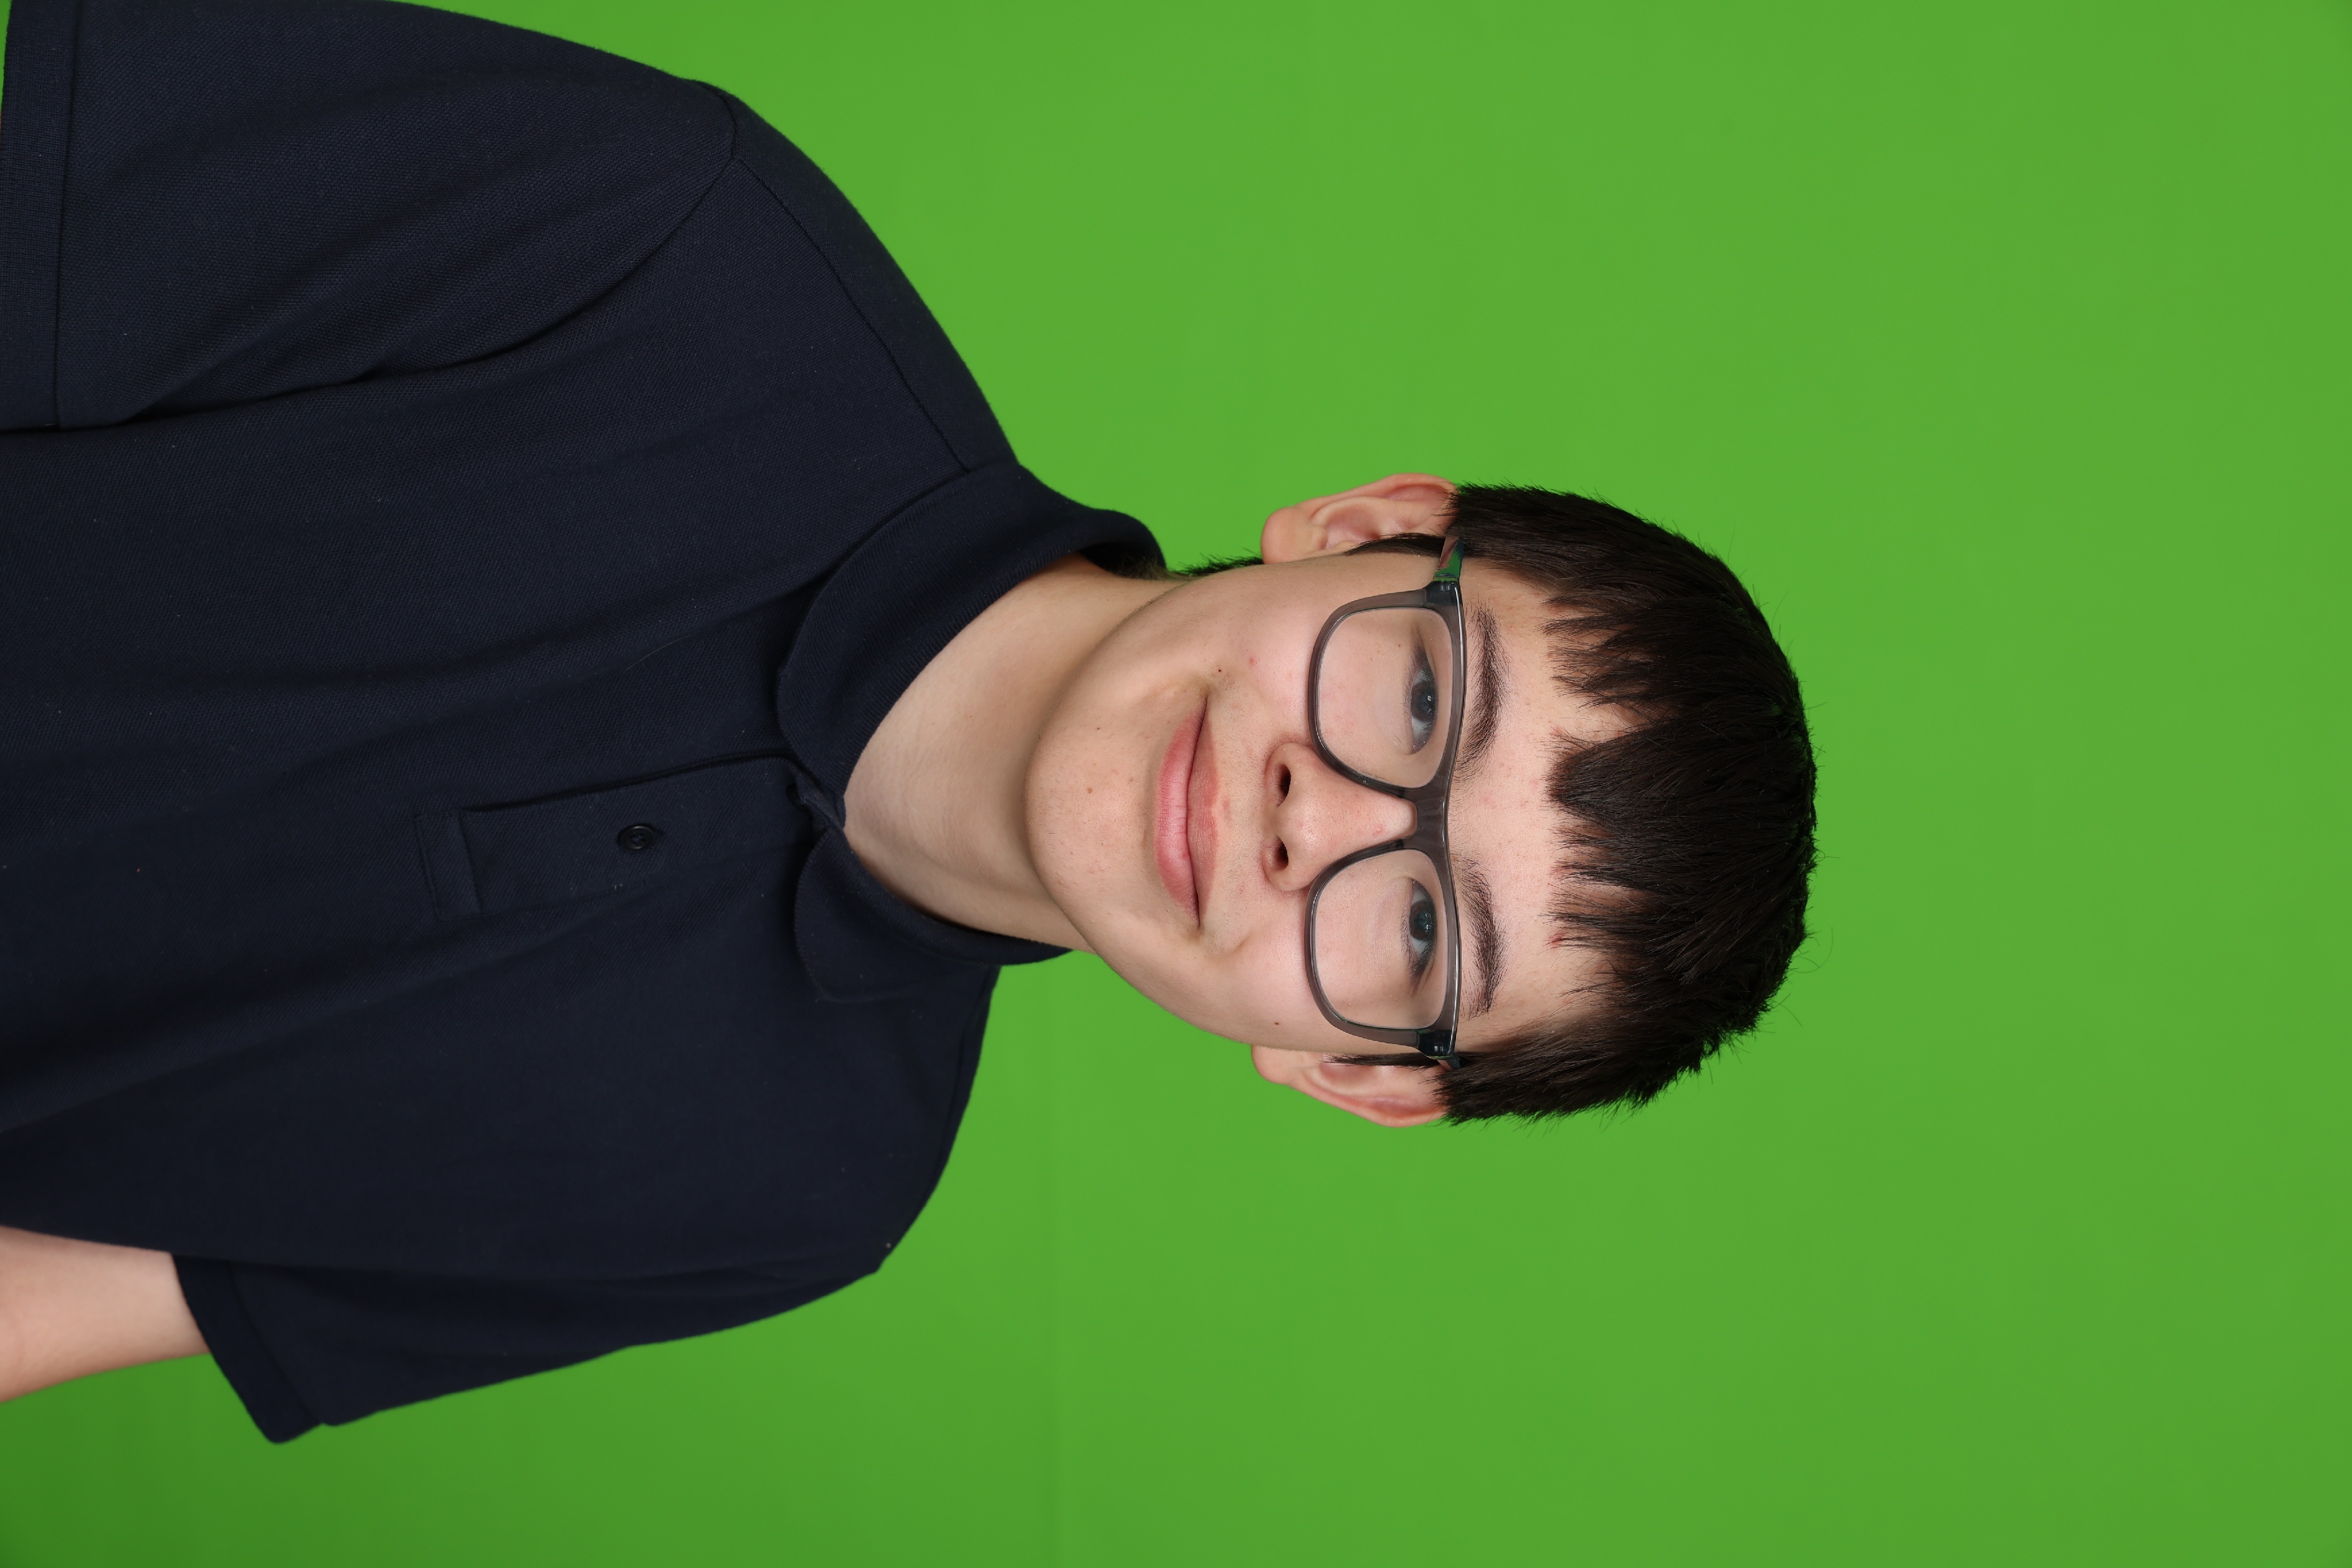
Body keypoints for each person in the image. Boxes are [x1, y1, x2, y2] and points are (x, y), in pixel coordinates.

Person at [0, 0, 1816, 1439]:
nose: (1312, 814)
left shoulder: (799, 1201)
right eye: (1419, 698)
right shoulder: (674, 241)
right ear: (1362, 531)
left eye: (1420, 932)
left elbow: (50, 1301)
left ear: (1355, 1074)